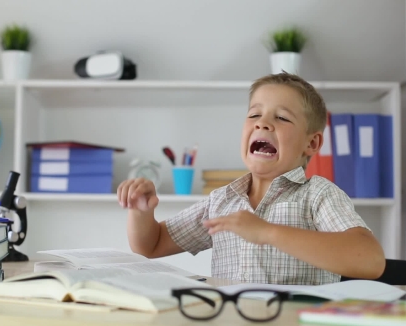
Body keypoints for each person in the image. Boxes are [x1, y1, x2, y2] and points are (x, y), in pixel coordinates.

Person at [116, 72, 385, 285]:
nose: (262, 123)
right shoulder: (222, 200)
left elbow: (370, 260)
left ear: (312, 144)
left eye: (281, 117)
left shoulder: (318, 194)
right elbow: (150, 246)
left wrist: (267, 232)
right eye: (254, 114)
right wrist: (141, 212)